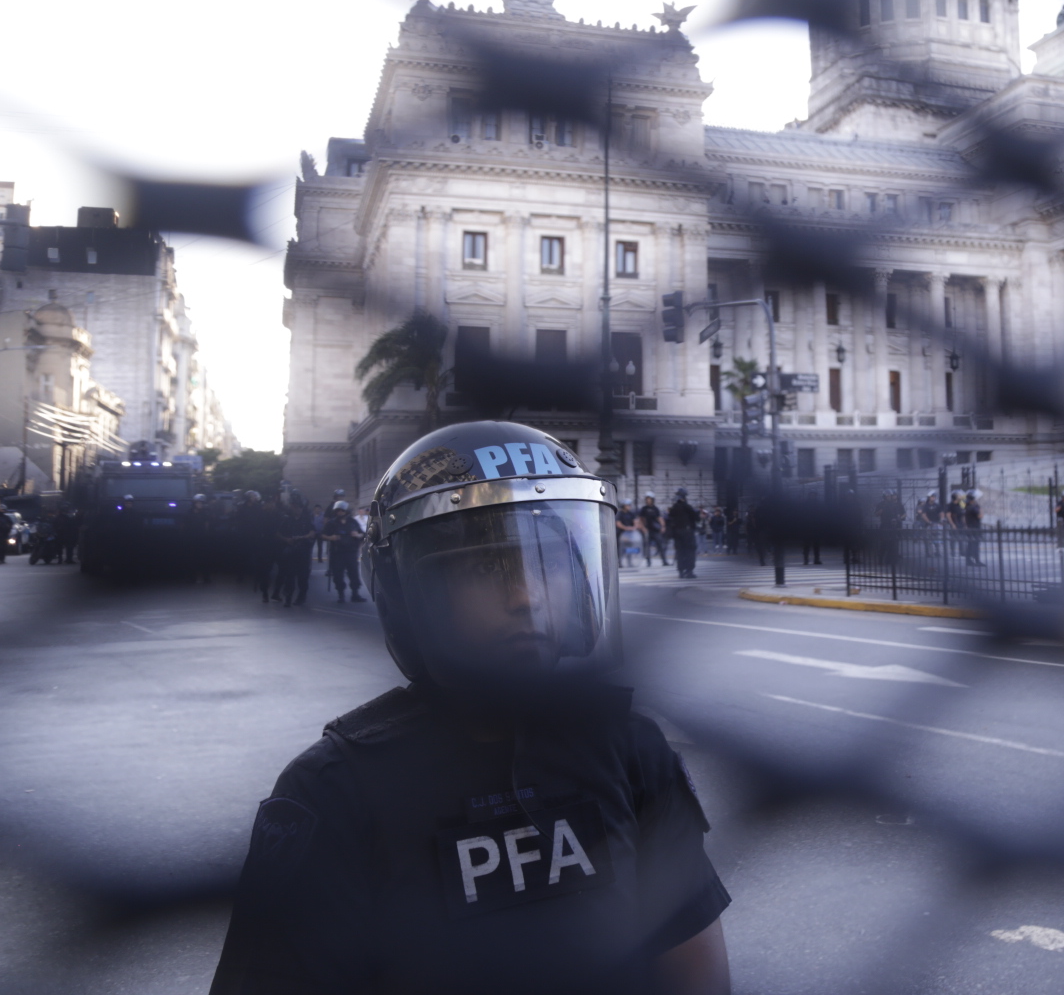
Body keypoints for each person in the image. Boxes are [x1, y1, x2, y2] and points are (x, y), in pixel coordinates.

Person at [210, 421, 731, 994]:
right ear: (409, 594)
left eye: (548, 563)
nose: (527, 596)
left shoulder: (631, 751)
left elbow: (693, 967)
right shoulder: (334, 790)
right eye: (486, 567)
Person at [275, 494, 316, 606]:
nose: (296, 509)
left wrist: (302, 537)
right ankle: (288, 597)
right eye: (294, 506)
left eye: (298, 507)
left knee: (303, 576)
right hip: (291, 550)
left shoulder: (307, 519)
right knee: (289, 575)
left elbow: (313, 532)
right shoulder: (287, 519)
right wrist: (287, 540)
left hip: (303, 550)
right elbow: (278, 533)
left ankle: (301, 597)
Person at [325, 500, 367, 602]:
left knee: (354, 574)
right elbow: (321, 534)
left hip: (351, 552)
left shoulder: (353, 522)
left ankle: (355, 594)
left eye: (342, 510)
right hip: (337, 553)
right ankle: (341, 595)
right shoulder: (332, 523)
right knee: (338, 575)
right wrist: (331, 538)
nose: (340, 512)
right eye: (338, 510)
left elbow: (362, 534)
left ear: (346, 511)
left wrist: (357, 535)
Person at [666, 488, 700, 580]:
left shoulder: (674, 508)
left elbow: (669, 518)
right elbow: (697, 518)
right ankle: (689, 571)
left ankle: (681, 571)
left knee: (680, 552)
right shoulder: (687, 507)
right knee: (690, 551)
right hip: (688, 532)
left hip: (677, 532)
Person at [638, 493, 669, 569]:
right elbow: (641, 519)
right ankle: (648, 562)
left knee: (660, 545)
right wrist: (643, 528)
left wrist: (663, 526)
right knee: (647, 547)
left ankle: (664, 561)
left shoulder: (655, 508)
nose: (648, 500)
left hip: (655, 530)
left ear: (652, 500)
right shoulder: (644, 509)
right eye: (647, 499)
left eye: (649, 499)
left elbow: (659, 518)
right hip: (647, 530)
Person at [615, 503, 641, 570]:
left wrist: (633, 527)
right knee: (620, 549)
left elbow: (636, 521)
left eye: (629, 505)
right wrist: (626, 528)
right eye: (627, 505)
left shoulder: (631, 513)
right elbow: (618, 523)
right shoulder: (620, 513)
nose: (629, 507)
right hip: (621, 534)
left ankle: (629, 562)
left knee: (629, 548)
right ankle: (620, 562)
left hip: (630, 534)